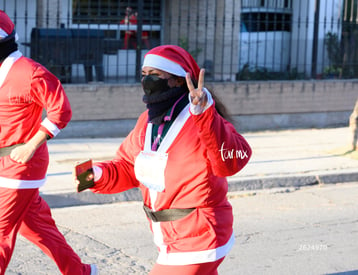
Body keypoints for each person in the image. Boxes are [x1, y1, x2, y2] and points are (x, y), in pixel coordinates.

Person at [74, 45, 252, 274]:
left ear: (177, 80)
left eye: (155, 75)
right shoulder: (147, 122)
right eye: (144, 74)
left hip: (198, 238)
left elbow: (233, 160)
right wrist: (93, 174)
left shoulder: (202, 119)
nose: (147, 80)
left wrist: (206, 114)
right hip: (168, 237)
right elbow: (128, 167)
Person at [0, 9, 97, 275]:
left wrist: (32, 144)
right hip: (0, 161)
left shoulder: (31, 72)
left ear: (6, 37)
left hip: (22, 165)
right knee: (36, 227)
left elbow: (61, 110)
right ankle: (80, 272)